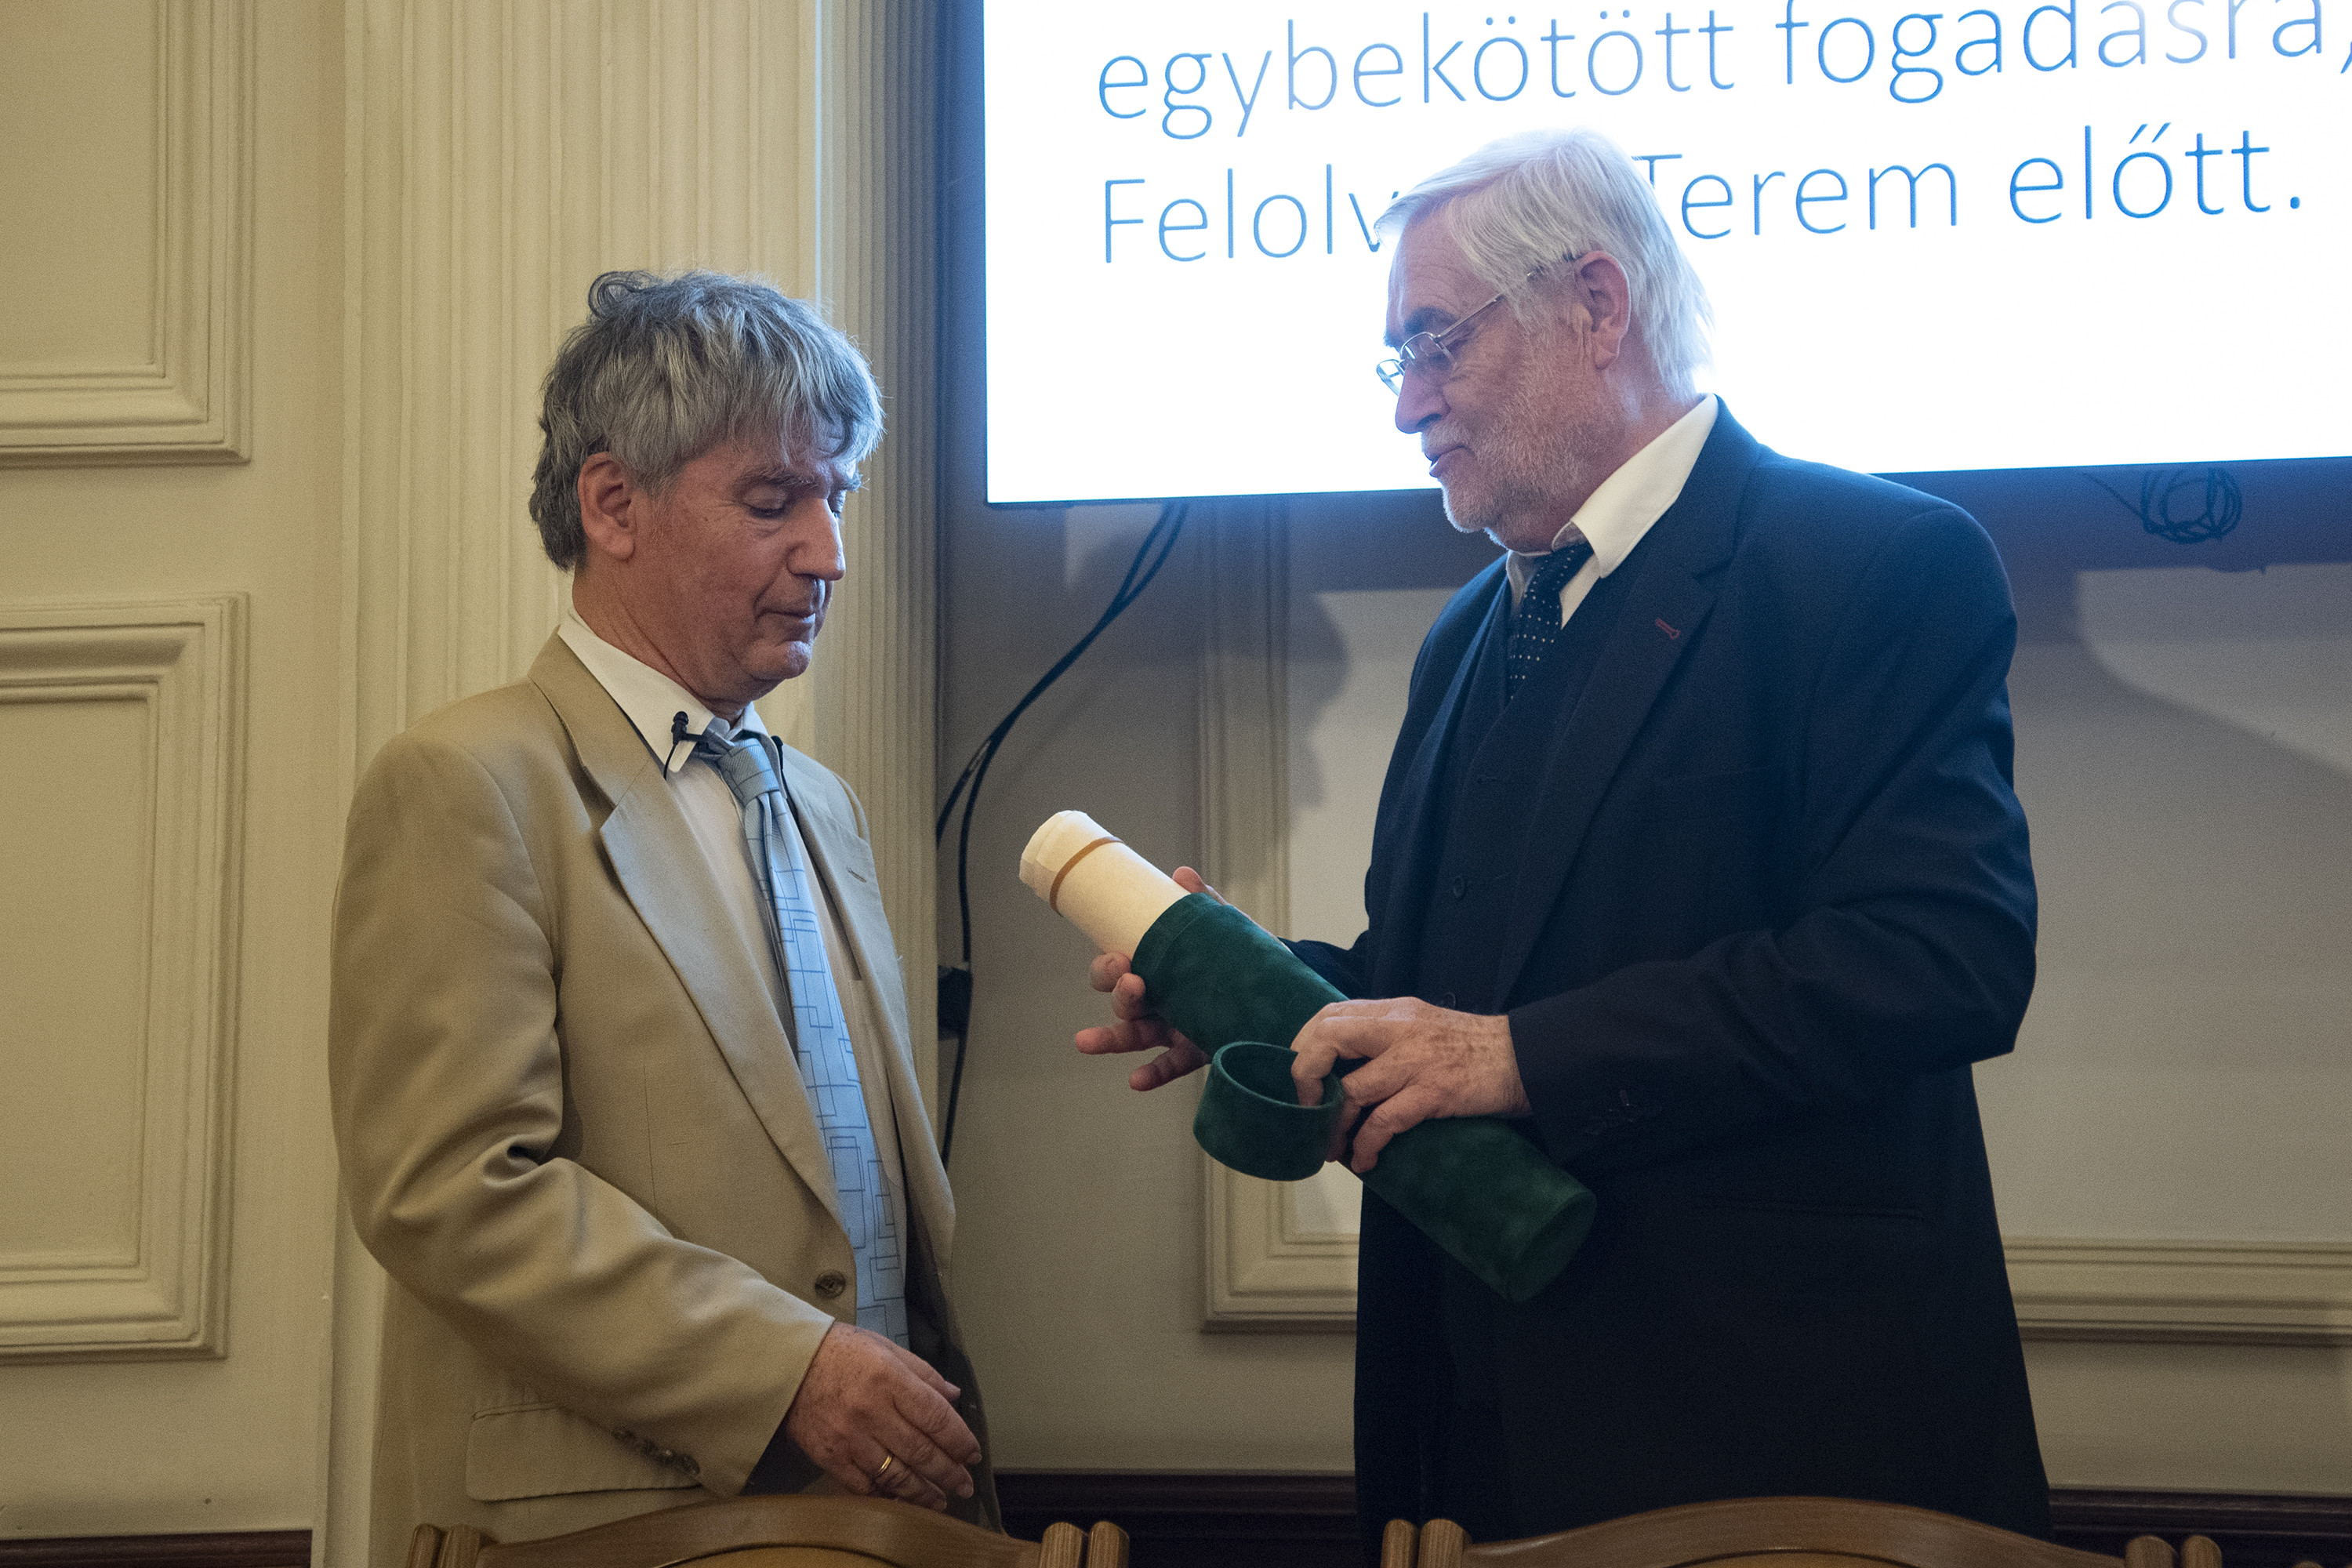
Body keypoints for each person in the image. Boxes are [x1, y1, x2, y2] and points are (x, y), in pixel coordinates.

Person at [1077, 129, 2048, 1553]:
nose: (1407, 405)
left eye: (1436, 344)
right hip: (1469, 1437)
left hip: (1773, 1443)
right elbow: (1451, 984)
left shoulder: (1875, 563)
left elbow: (1940, 958)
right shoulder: (1474, 631)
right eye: (1395, 360)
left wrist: (1524, 1058)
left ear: (1595, 304)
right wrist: (1248, 988)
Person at [332, 270, 994, 1568]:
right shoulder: (466, 783)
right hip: (611, 1531)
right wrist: (784, 1368)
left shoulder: (821, 803)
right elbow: (450, 1192)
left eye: (839, 496)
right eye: (774, 500)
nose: (829, 552)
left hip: (886, 1525)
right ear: (613, 504)